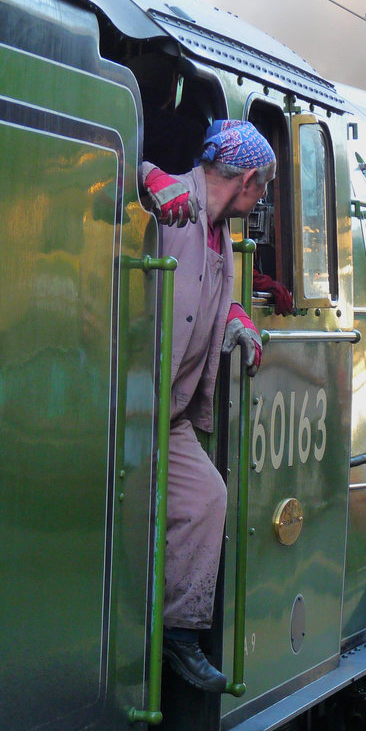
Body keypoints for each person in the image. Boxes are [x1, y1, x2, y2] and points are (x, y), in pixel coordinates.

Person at [139, 120, 276, 692]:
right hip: (130, 408)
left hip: (169, 415)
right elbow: (113, 173)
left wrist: (238, 316)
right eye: (264, 186)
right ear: (246, 179)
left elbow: (211, 296)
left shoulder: (219, 232)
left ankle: (178, 634)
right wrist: (146, 177)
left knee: (207, 497)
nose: (264, 197)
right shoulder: (172, 199)